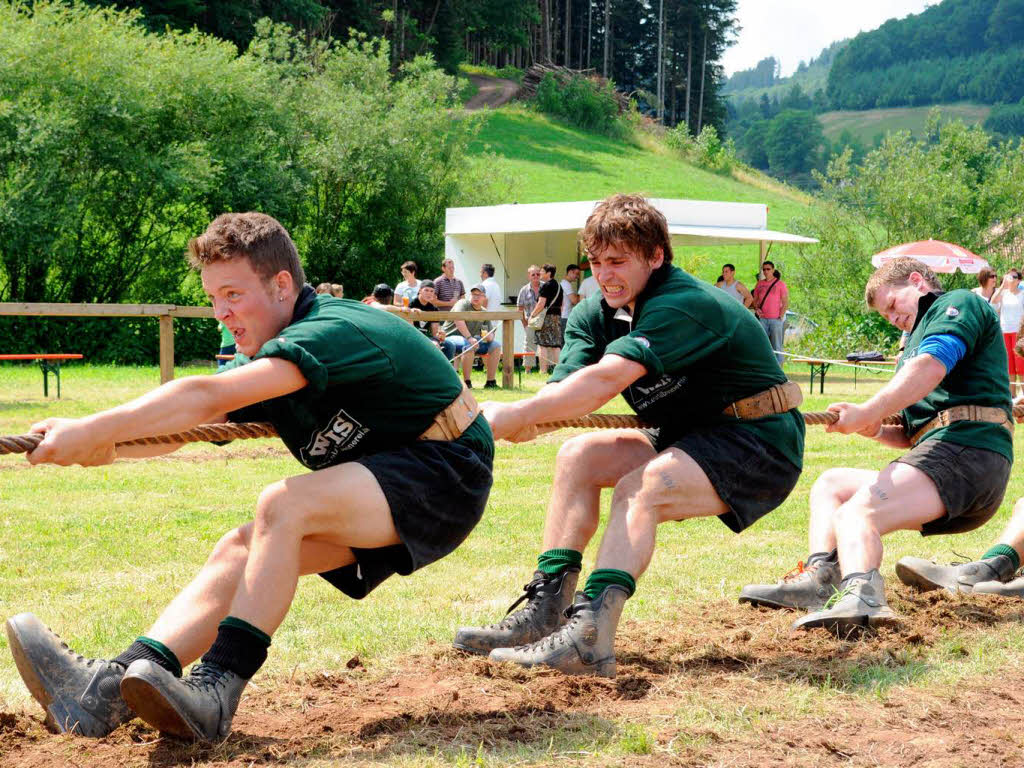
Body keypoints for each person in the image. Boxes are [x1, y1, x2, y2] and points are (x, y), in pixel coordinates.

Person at [5, 212, 494, 743]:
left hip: (446, 470)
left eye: (233, 294)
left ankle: (216, 689)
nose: (222, 313)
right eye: (214, 298)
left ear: (282, 285)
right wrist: (102, 446)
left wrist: (93, 427)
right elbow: (190, 424)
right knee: (241, 548)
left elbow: (204, 396)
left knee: (283, 504)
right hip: (384, 483)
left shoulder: (332, 330)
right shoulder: (270, 353)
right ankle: (105, 692)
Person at [453, 194, 804, 677]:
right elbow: (566, 390)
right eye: (596, 263)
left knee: (639, 488)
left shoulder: (685, 302)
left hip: (758, 440)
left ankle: (589, 638)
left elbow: (602, 383)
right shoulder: (594, 314)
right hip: (685, 435)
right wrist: (528, 418)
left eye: (618, 261)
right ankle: (545, 613)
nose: (604, 275)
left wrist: (519, 411)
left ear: (656, 257)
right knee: (578, 455)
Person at [740, 256, 1013, 632]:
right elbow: (912, 432)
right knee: (832, 485)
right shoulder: (913, 342)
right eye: (885, 316)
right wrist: (873, 430)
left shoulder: (960, 303)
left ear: (917, 281)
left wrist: (867, 410)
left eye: (892, 305)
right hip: (948, 457)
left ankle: (862, 597)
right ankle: (821, 580)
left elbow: (932, 367)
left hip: (971, 454)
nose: (892, 317)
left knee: (857, 513)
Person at [443, 284, 502, 389]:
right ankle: (467, 383)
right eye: (474, 294)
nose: (476, 297)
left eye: (479, 295)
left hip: (469, 339)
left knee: (496, 345)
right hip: (449, 337)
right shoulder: (463, 303)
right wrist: (470, 338)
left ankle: (490, 382)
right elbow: (458, 319)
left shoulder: (484, 312)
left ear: (484, 298)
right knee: (469, 345)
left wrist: (489, 337)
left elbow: (489, 332)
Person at [989, 268, 1024, 396]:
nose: (1010, 278)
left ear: (1019, 280)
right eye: (1009, 276)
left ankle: (1022, 398)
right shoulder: (1003, 293)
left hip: (1018, 333)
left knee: (1021, 366)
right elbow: (992, 303)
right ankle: (1012, 396)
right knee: (1009, 365)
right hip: (1005, 332)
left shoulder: (1022, 294)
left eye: (1014, 277)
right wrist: (1003, 285)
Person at [751, 261, 788, 365]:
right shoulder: (760, 284)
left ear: (773, 270)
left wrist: (780, 315)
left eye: (768, 269)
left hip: (776, 319)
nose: (766, 271)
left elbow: (785, 301)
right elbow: (755, 299)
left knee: (777, 345)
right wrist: (756, 308)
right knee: (762, 343)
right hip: (763, 319)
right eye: (764, 269)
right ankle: (764, 366)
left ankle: (779, 368)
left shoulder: (780, 284)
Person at [530, 264, 564, 374]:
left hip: (546, 317)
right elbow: (562, 304)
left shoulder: (545, 286)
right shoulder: (559, 286)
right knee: (556, 345)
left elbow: (541, 303)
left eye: (542, 271)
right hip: (557, 316)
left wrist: (533, 315)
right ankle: (558, 370)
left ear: (549, 273)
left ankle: (543, 370)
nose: (540, 274)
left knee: (542, 344)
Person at [410, 279, 455, 361]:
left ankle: (445, 371)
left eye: (431, 291)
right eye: (426, 290)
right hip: (414, 336)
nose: (429, 293)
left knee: (450, 345)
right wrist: (411, 311)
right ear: (420, 290)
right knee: (434, 345)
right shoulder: (412, 304)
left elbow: (435, 333)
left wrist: (440, 335)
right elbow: (410, 329)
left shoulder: (433, 308)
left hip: (427, 336)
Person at [516, 265, 543, 373]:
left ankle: (545, 368)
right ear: (529, 276)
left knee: (545, 345)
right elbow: (520, 309)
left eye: (538, 274)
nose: (536, 276)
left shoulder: (546, 287)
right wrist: (524, 324)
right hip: (530, 322)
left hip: (545, 321)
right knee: (529, 346)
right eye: (533, 274)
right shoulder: (524, 290)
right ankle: (528, 369)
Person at [559, 263, 581, 334]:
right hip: (565, 317)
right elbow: (574, 301)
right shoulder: (566, 284)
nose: (577, 277)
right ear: (570, 272)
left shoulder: (563, 283)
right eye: (577, 274)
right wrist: (583, 294)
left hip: (563, 316)